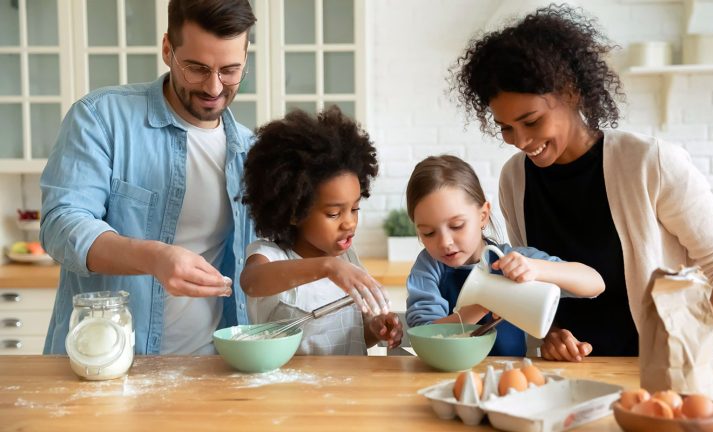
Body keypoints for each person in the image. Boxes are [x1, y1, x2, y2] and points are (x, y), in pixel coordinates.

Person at [450, 4, 713, 360]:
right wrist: (550, 334)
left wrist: (693, 355)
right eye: (506, 128)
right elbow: (534, 282)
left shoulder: (648, 163)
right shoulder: (514, 178)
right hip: (570, 376)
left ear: (571, 93)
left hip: (657, 374)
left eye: (531, 122)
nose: (520, 140)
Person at [40, 0, 257, 355]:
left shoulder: (251, 152)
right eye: (197, 69)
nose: (215, 88)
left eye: (230, 71)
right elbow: (61, 227)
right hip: (105, 367)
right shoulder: (101, 118)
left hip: (212, 371)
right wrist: (154, 258)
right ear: (167, 49)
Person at [240, 106, 402, 355]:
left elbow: (351, 336)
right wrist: (327, 267)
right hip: (291, 394)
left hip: (346, 390)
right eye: (334, 213)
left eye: (355, 209)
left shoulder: (348, 260)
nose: (349, 223)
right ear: (294, 212)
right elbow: (251, 281)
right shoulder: (271, 256)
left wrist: (375, 329)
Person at [405, 155, 604, 356]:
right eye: (428, 233)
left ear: (483, 216)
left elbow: (595, 283)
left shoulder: (511, 260)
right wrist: (483, 304)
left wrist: (537, 269)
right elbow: (425, 334)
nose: (444, 242)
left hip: (508, 376)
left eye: (457, 226)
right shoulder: (428, 267)